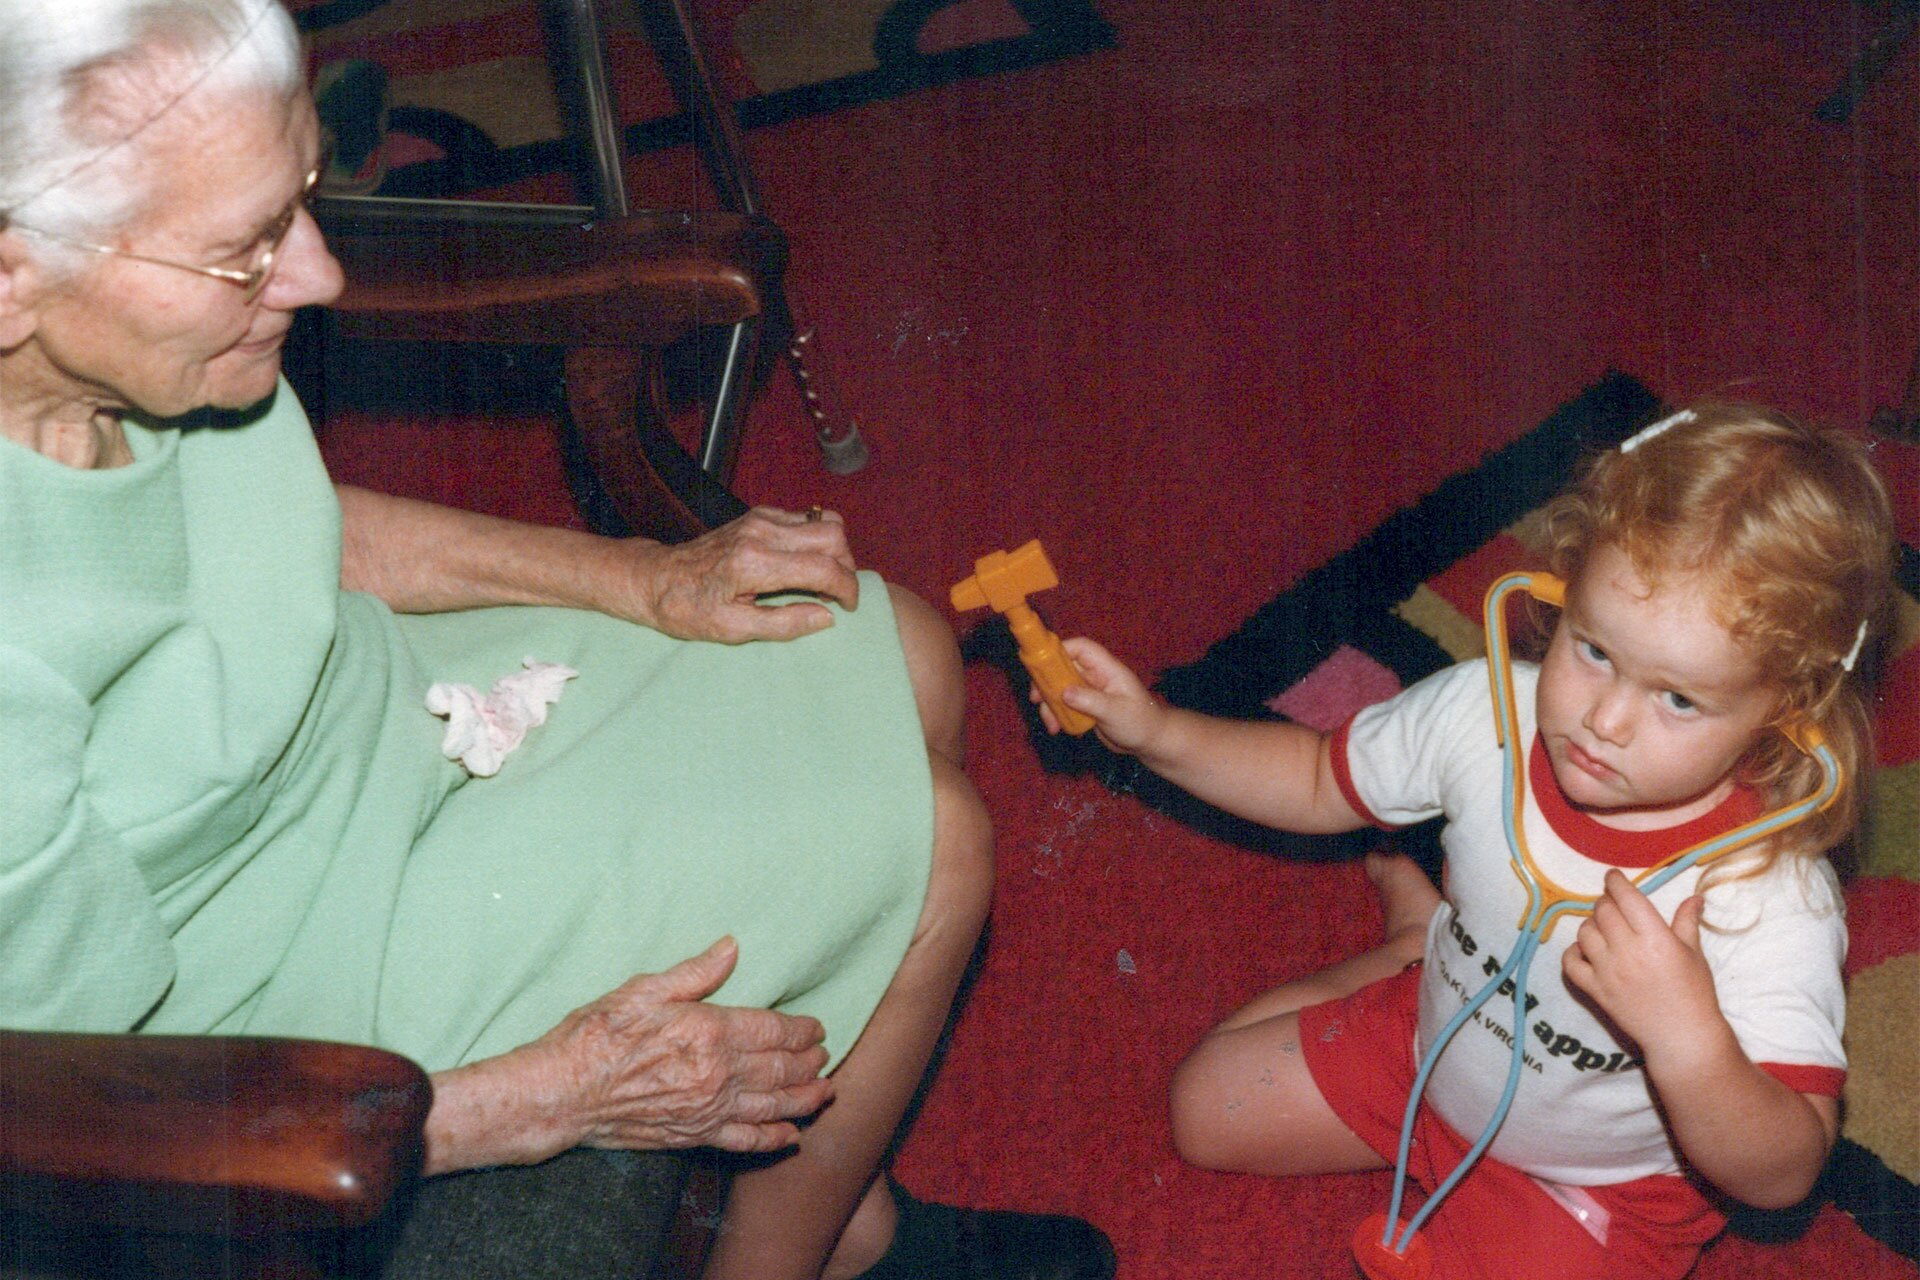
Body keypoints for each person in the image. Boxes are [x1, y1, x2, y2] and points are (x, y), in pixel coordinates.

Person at [0, 3, 1117, 1278]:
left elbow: (289, 530)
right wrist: (552, 1095)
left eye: (304, 196)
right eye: (246, 251)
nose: (317, 275)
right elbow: (74, 1100)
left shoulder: (115, 354)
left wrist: (645, 580)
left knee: (895, 637)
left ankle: (837, 1213)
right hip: (263, 1003)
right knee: (939, 851)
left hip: (371, 731)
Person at [1038, 405, 1896, 1278]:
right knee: (1204, 1108)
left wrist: (1687, 1037)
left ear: (1789, 711)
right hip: (1433, 1051)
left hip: (1595, 1188)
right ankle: (1419, 950)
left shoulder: (1768, 894)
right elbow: (1310, 780)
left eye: (1678, 699)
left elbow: (1786, 1173)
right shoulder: (1485, 711)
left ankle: (1419, 943)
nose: (1604, 719)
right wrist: (1158, 734)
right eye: (1593, 649)